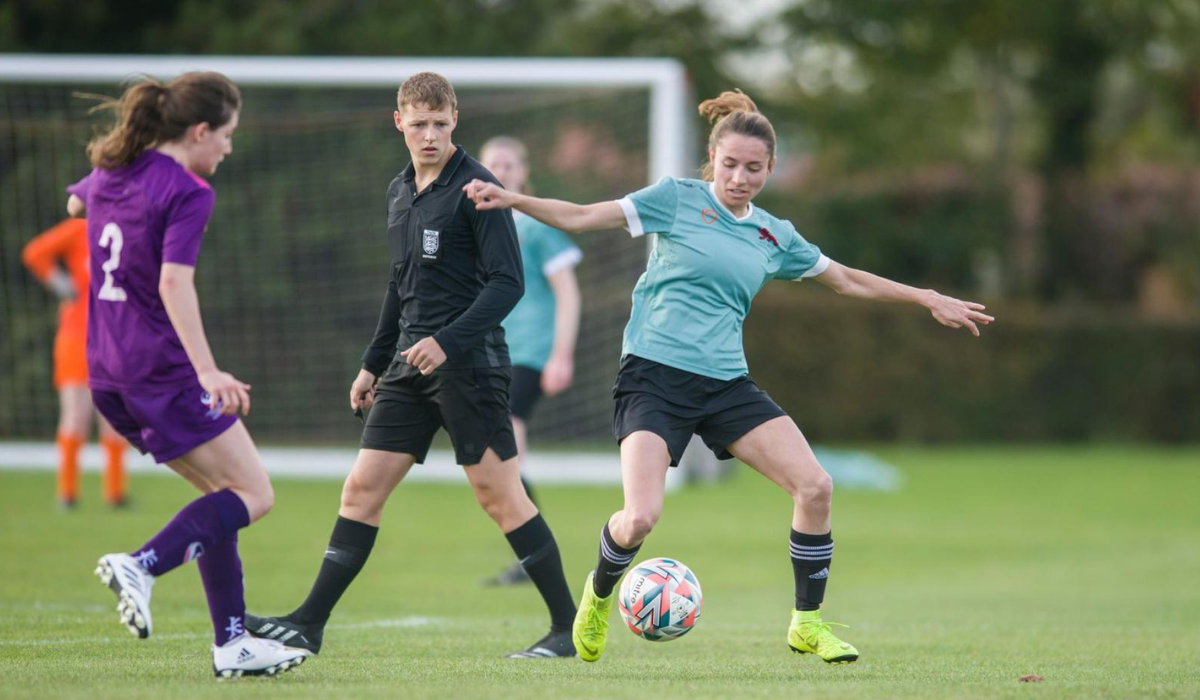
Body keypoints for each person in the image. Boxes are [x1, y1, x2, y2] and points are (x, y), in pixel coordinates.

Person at [464, 89, 994, 664]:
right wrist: (512, 198)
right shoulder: (674, 200)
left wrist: (926, 298)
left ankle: (807, 623)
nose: (740, 177)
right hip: (653, 379)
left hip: (725, 386)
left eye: (754, 168)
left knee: (815, 487)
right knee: (639, 517)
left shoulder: (773, 234)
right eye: (730, 164)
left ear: (770, 169)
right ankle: (596, 597)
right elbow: (585, 216)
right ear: (711, 160)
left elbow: (844, 279)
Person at [244, 72, 578, 659]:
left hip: (472, 366)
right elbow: (400, 287)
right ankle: (308, 623)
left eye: (440, 124)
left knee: (500, 497)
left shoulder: (479, 188)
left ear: (456, 121)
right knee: (361, 488)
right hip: (406, 366)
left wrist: (447, 342)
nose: (430, 135)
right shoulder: (400, 191)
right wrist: (371, 364)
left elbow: (509, 284)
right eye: (419, 124)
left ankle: (567, 628)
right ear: (398, 122)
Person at [69, 71, 310, 678]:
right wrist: (207, 371)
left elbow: (76, 203)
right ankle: (141, 565)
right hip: (160, 371)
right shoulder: (188, 190)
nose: (228, 146)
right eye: (225, 134)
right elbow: (173, 282)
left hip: (106, 373)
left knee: (218, 498)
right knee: (255, 495)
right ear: (199, 131)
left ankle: (232, 645)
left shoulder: (111, 173)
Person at [477, 136, 582, 587]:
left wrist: (561, 354)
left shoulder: (537, 227)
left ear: (524, 172)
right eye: (492, 164)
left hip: (531, 353)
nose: (501, 170)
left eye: (509, 164)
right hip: (491, 353)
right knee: (498, 455)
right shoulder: (479, 228)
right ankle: (531, 553)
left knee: (507, 447)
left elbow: (568, 293)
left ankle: (534, 554)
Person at [22, 218, 128, 509]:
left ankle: (115, 493)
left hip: (114, 337)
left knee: (114, 416)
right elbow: (35, 252)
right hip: (77, 335)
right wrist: (61, 285)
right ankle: (67, 494)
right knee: (76, 413)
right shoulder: (80, 228)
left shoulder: (131, 228)